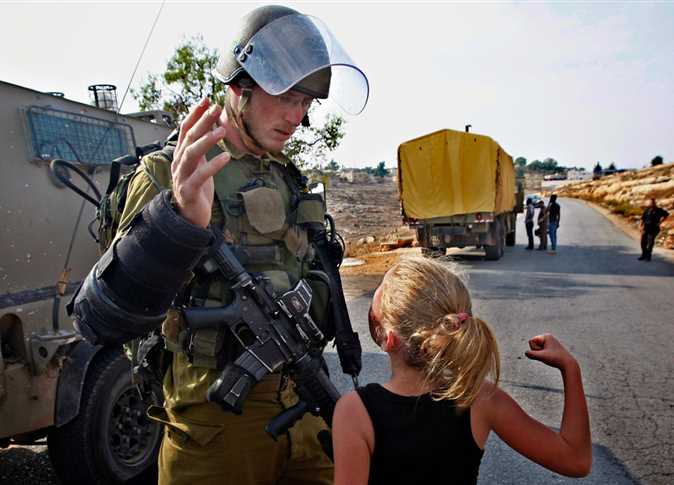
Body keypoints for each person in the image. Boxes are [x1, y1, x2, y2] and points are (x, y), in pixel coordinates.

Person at [70, 5, 369, 484]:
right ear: (239, 86)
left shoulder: (287, 178)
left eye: (306, 103)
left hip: (303, 409)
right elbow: (102, 319)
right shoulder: (171, 173)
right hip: (214, 425)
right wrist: (177, 223)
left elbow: (314, 276)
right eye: (285, 97)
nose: (296, 116)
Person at [332, 257, 592, 485]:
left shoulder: (354, 412)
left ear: (389, 339)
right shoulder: (479, 398)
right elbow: (576, 460)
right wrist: (570, 368)